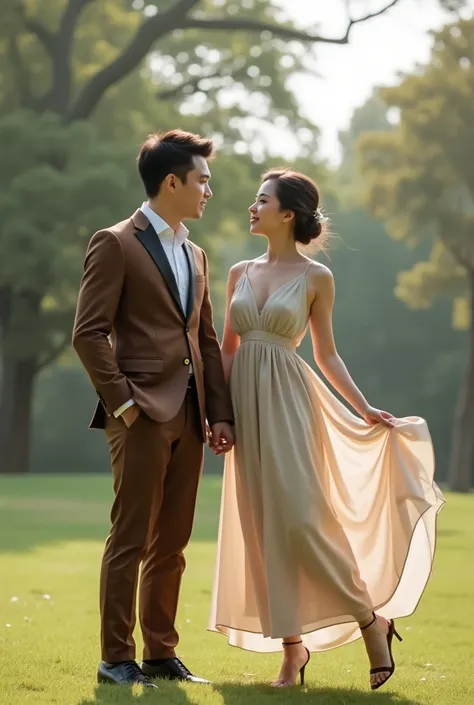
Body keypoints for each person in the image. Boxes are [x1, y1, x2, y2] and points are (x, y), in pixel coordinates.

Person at [208, 168, 444, 690]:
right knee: (260, 528)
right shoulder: (238, 272)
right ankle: (292, 654)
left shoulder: (317, 278)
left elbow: (326, 354)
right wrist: (219, 413)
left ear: (287, 214)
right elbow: (226, 349)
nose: (252, 206)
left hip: (292, 405)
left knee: (302, 522)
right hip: (245, 407)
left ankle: (370, 620)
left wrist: (364, 409)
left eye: (261, 200)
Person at [73, 129, 234, 689]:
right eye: (202, 180)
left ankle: (161, 653)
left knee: (173, 543)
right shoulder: (115, 242)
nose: (209, 190)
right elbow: (88, 333)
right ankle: (116, 657)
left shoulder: (196, 253)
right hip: (139, 414)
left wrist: (220, 415)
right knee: (131, 539)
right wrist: (123, 405)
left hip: (191, 418)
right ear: (173, 182)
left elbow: (206, 339)